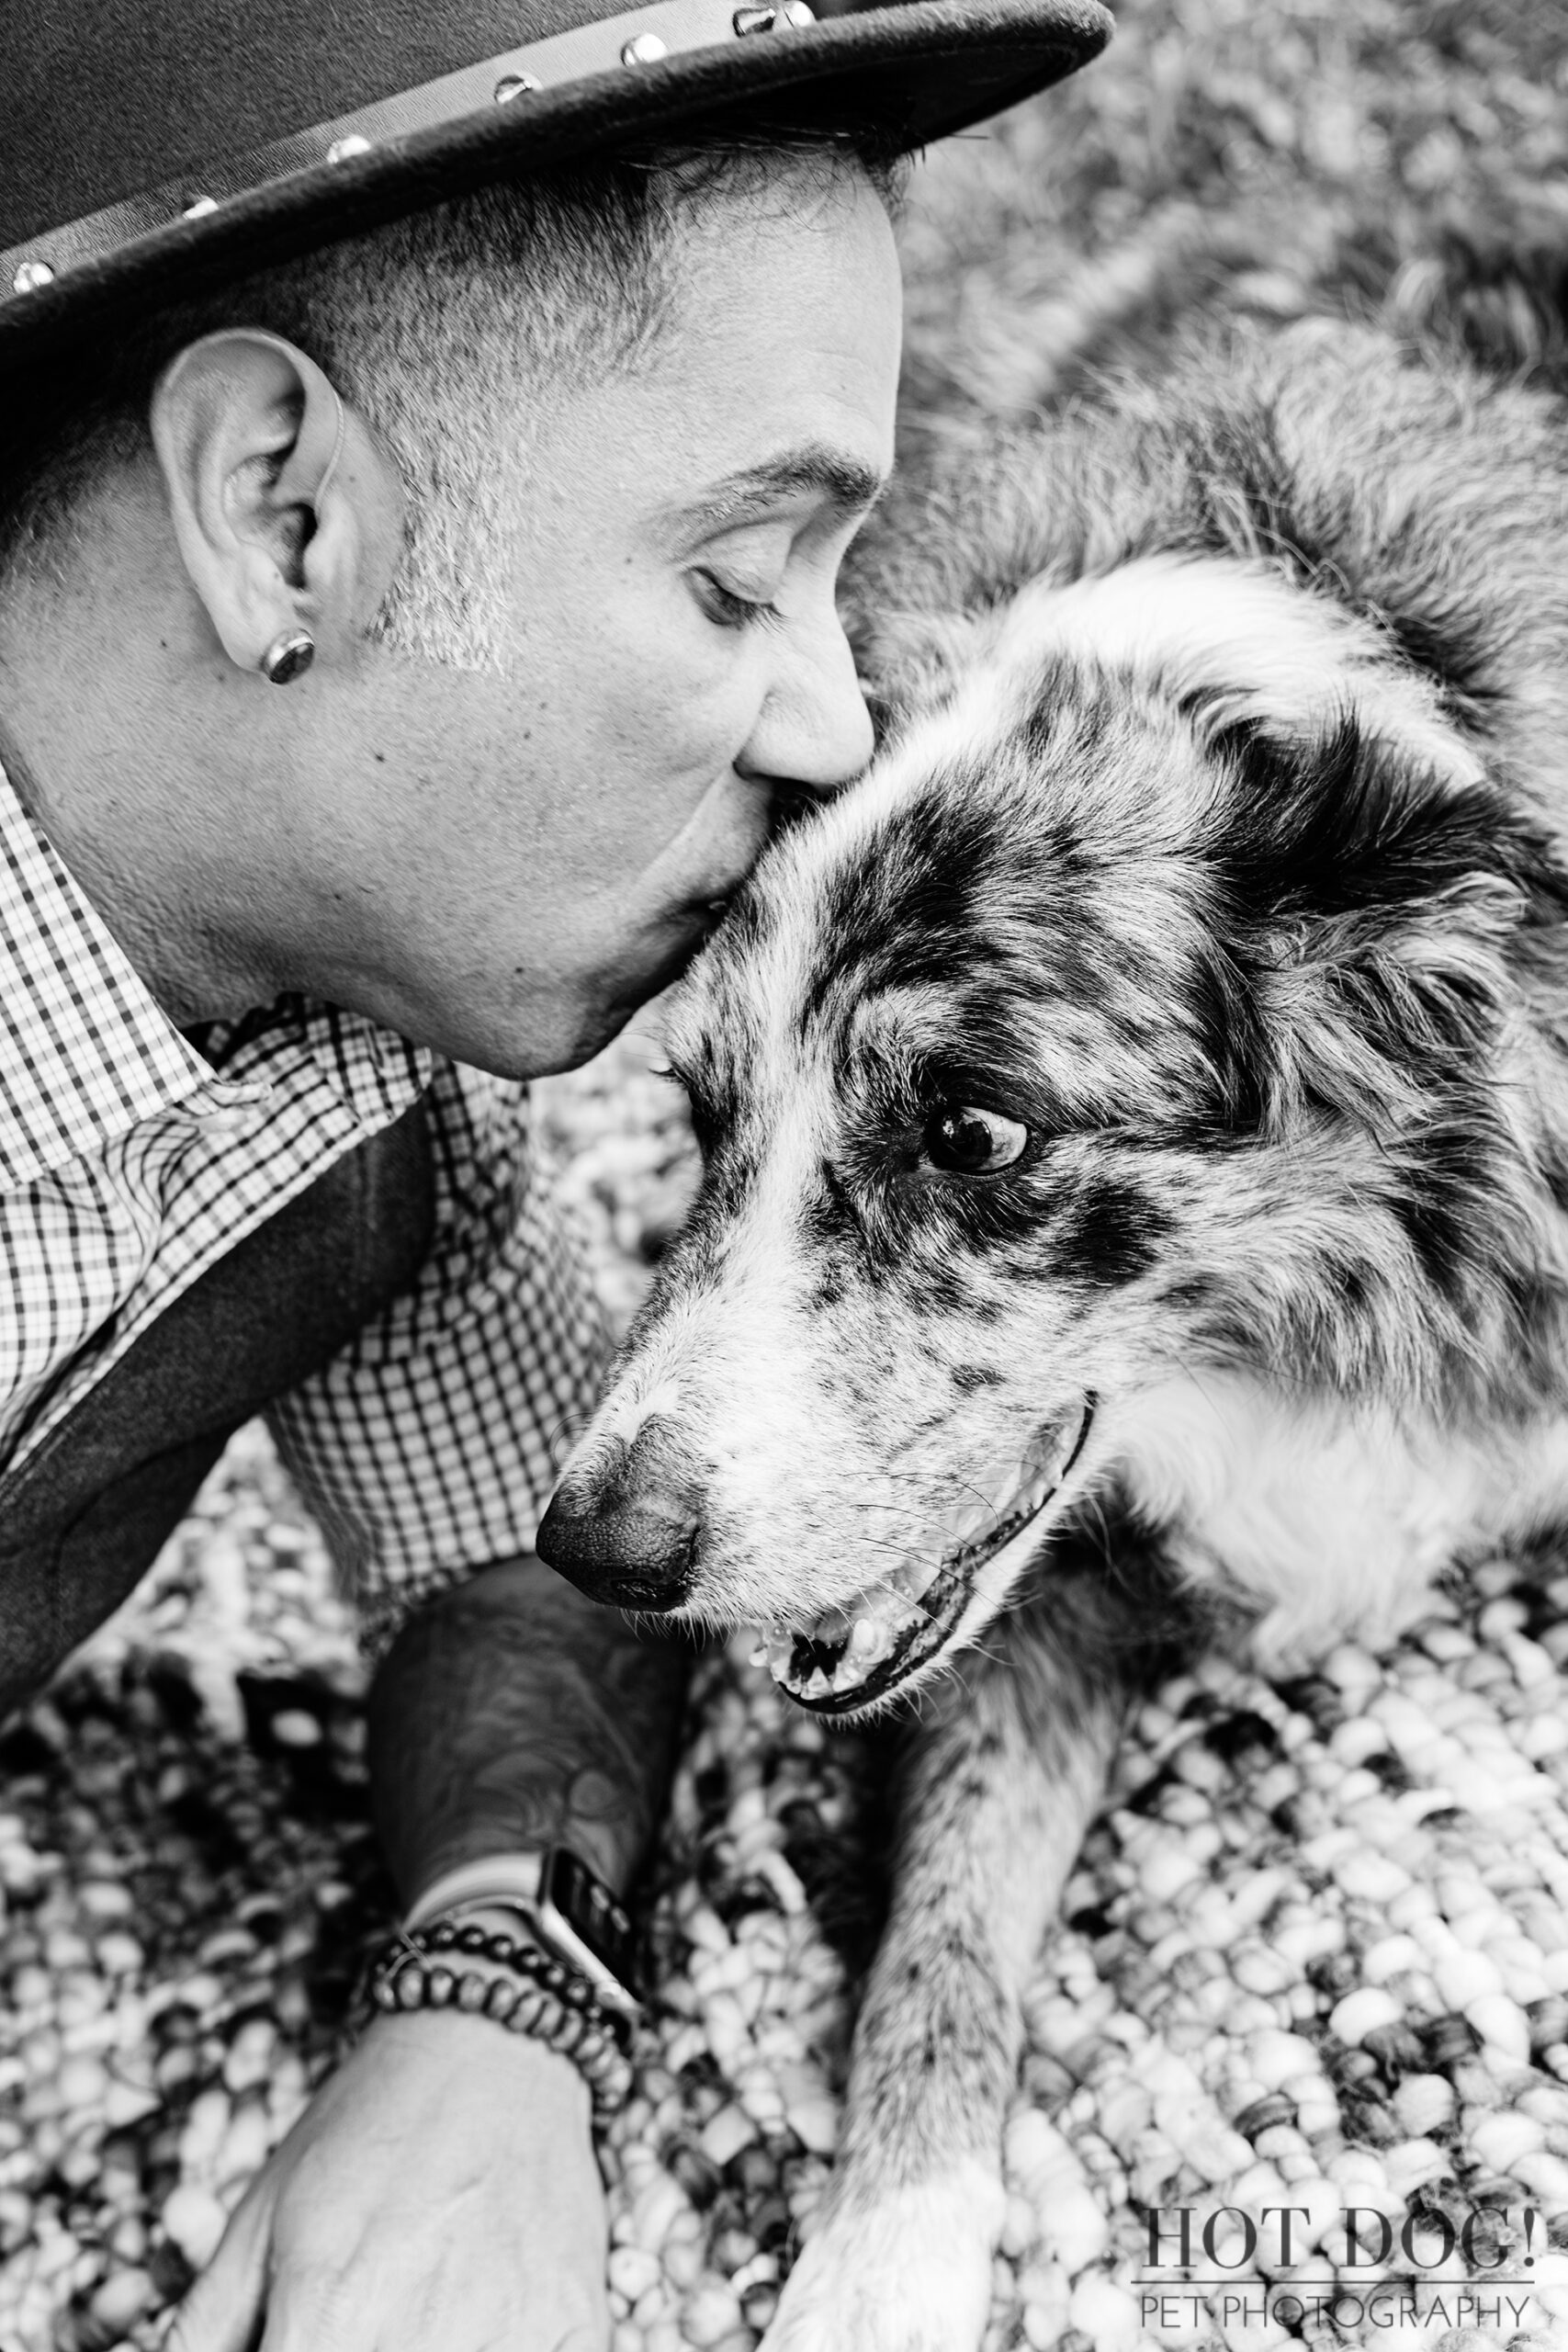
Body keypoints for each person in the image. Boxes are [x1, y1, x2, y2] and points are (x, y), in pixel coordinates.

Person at [0, 0, 1107, 2343]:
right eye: (737, 579)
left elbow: (524, 1550)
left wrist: (492, 1979)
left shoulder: (365, 1105)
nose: (838, 731)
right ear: (280, 510)